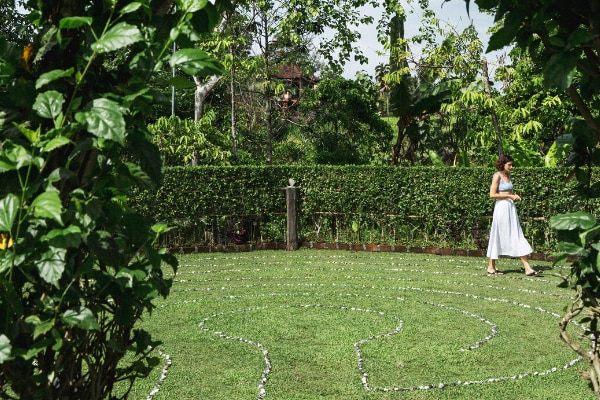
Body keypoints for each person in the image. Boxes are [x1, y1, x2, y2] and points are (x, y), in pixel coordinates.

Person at [486, 154, 540, 275]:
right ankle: (527, 268)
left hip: (510, 208)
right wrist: (509, 196)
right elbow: (492, 195)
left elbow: (508, 191)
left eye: (511, 165)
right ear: (503, 164)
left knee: (515, 233)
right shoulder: (497, 176)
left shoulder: (508, 175)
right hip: (501, 208)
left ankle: (492, 267)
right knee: (504, 234)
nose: (511, 167)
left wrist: (514, 195)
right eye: (509, 164)